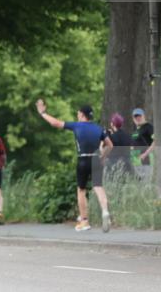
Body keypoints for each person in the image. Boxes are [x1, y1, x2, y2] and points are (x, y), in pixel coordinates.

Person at [36, 99, 112, 232]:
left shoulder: (77, 126)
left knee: (81, 190)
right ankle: (105, 212)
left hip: (82, 160)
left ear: (83, 115)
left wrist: (43, 113)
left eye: (78, 114)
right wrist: (102, 157)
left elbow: (55, 123)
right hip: (95, 160)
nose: (77, 116)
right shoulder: (99, 128)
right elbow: (110, 145)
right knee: (98, 187)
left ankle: (85, 221)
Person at [105, 114, 135, 181]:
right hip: (127, 166)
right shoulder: (128, 136)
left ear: (112, 124)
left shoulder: (111, 137)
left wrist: (107, 134)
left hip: (114, 167)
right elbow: (132, 149)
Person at [131, 107, 155, 182]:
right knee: (138, 184)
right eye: (135, 116)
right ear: (133, 119)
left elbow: (156, 141)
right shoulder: (137, 130)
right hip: (135, 161)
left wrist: (145, 154)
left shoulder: (149, 127)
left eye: (139, 116)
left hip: (146, 159)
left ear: (144, 116)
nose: (138, 118)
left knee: (146, 183)